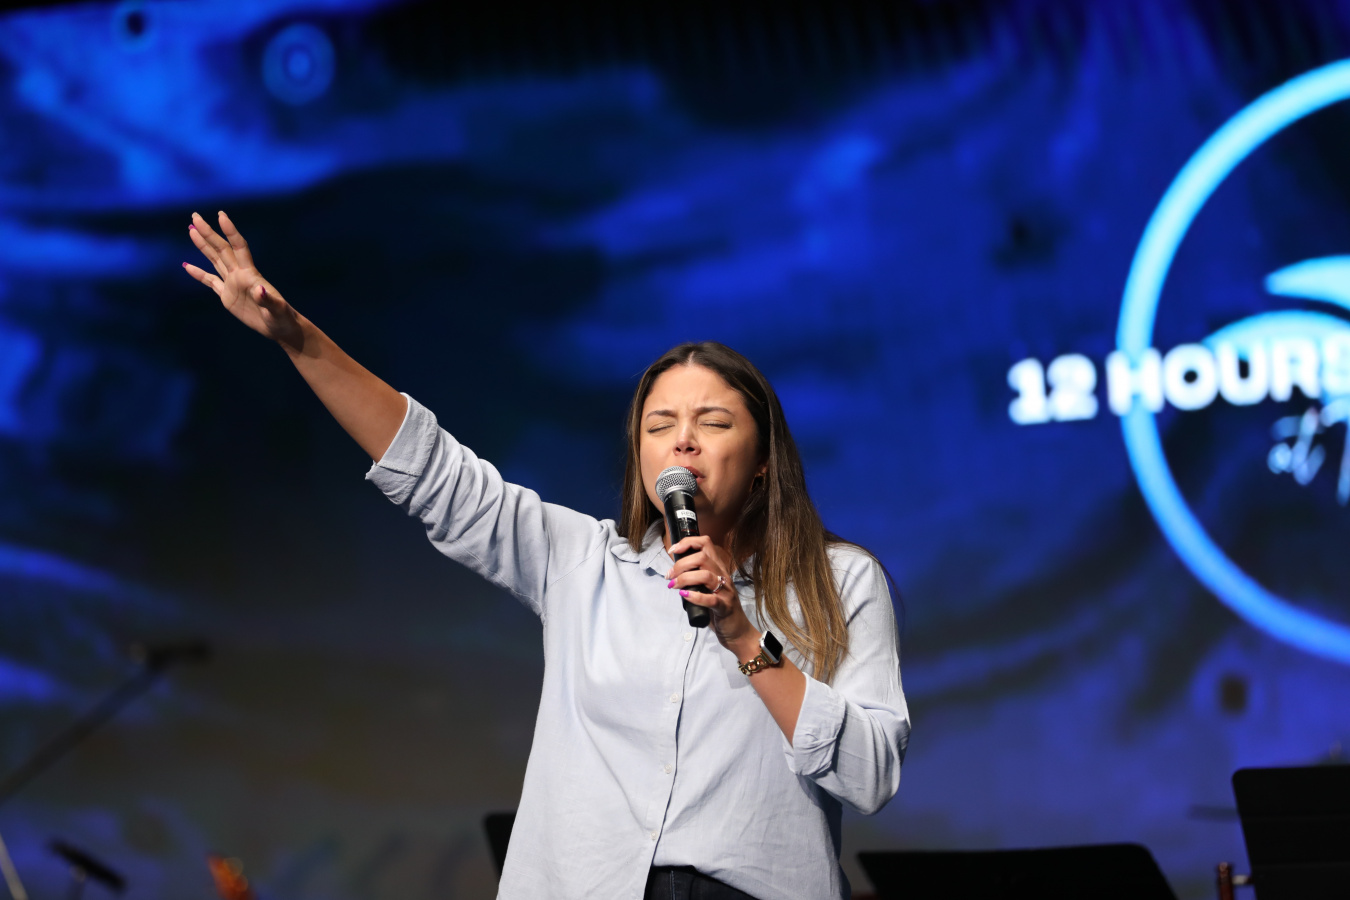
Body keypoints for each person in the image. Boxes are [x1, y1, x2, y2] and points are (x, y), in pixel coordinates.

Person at [184, 210, 910, 900]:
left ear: (763, 461)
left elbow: (871, 775)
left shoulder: (841, 582)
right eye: (660, 425)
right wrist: (297, 337)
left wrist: (748, 640)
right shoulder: (581, 561)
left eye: (712, 422)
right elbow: (434, 472)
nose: (683, 441)